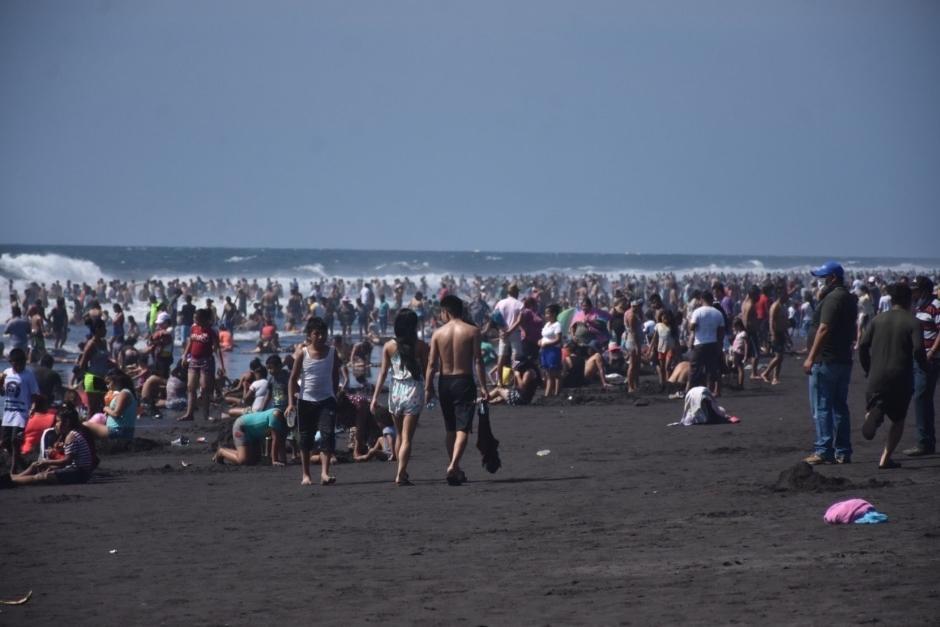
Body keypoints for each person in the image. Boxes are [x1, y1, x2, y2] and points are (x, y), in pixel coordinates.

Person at [858, 283, 927, 469]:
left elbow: (863, 346)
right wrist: (924, 366)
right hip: (900, 377)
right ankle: (885, 458)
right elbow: (919, 349)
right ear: (909, 300)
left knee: (876, 401)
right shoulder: (913, 322)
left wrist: (867, 367)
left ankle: (873, 412)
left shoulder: (877, 320)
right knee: (898, 419)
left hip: (876, 376)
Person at [425, 295, 488, 486]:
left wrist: (428, 387)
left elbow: (431, 364)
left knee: (450, 428)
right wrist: (484, 386)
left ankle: (456, 467)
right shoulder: (472, 331)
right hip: (463, 381)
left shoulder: (438, 333)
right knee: (463, 428)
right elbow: (478, 361)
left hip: (444, 383)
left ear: (446, 311)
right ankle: (453, 464)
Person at [802, 261, 858, 465]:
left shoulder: (833, 299)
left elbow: (823, 329)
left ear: (832, 278)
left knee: (822, 406)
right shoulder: (849, 298)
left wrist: (810, 357)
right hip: (842, 359)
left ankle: (823, 449)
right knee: (839, 406)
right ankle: (842, 450)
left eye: (823, 278)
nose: (820, 283)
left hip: (826, 359)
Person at [371, 309, 429, 486]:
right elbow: (427, 371)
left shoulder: (389, 346)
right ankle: (401, 474)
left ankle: (399, 471)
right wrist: (431, 389)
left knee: (399, 436)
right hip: (413, 390)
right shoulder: (421, 346)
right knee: (407, 437)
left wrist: (374, 397)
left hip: (395, 391)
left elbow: (382, 373)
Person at [286, 317, 342, 486]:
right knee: (305, 439)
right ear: (309, 335)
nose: (320, 337)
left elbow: (335, 375)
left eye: (323, 333)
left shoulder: (332, 352)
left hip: (327, 400)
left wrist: (335, 393)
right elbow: (292, 379)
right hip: (306, 401)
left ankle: (325, 473)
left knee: (327, 435)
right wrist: (290, 403)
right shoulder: (303, 353)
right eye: (316, 333)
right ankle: (306, 475)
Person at [9, 404, 97, 486]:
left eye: (58, 421)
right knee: (41, 469)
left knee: (43, 476)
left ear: (66, 422)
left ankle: (13, 481)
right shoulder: (74, 433)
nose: (56, 425)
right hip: (80, 472)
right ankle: (14, 478)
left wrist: (46, 462)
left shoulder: (71, 436)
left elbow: (67, 461)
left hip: (79, 473)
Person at [905, 276, 940, 457]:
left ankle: (923, 442)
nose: (913, 292)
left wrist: (932, 352)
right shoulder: (919, 305)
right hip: (920, 357)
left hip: (930, 358)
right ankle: (927, 441)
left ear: (924, 290)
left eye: (916, 289)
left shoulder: (935, 305)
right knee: (923, 399)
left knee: (921, 398)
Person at [179, 308, 224, 422]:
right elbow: (190, 342)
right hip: (193, 360)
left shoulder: (211, 331)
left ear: (203, 319)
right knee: (190, 387)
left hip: (206, 361)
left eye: (196, 318)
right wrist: (185, 355)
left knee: (204, 388)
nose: (194, 320)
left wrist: (221, 365)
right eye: (194, 318)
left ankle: (206, 414)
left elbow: (217, 349)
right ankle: (189, 414)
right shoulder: (193, 327)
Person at [1, 348, 40, 471]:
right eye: (15, 362)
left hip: (21, 413)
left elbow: (34, 394)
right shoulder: (6, 373)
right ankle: (22, 464)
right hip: (8, 412)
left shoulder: (28, 375)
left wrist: (33, 407)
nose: (18, 365)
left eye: (20, 363)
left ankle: (13, 469)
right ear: (11, 362)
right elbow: (2, 393)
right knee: (5, 442)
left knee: (15, 441)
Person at [212, 408, 287, 466]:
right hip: (242, 427)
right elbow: (275, 439)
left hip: (255, 433)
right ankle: (221, 452)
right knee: (243, 460)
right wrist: (275, 460)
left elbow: (281, 440)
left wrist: (283, 460)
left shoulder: (286, 422)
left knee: (255, 460)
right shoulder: (276, 415)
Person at [687, 291, 725, 396]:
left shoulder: (697, 312)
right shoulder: (718, 313)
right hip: (713, 343)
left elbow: (692, 327)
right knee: (711, 369)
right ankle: (710, 391)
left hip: (699, 344)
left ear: (701, 300)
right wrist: (719, 345)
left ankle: (690, 391)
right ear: (711, 300)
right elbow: (721, 331)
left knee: (694, 369)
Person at [84, 369, 138, 442]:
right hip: (121, 430)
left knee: (85, 425)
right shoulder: (123, 393)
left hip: (119, 431)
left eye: (108, 383)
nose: (107, 386)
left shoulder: (124, 393)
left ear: (116, 381)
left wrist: (106, 408)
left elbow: (116, 414)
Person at [77, 318, 112, 417]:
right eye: (104, 328)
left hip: (103, 378)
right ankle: (89, 430)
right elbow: (82, 363)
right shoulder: (91, 344)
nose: (106, 330)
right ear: (97, 329)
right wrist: (82, 379)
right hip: (92, 378)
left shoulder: (104, 343)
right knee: (93, 408)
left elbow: (105, 360)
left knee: (104, 406)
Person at [492, 285, 525, 386]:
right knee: (515, 357)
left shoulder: (500, 303)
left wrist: (502, 330)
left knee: (501, 357)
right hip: (514, 332)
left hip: (503, 333)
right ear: (516, 292)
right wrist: (510, 331)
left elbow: (495, 317)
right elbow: (519, 321)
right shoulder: (520, 304)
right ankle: (515, 380)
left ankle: (500, 381)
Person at [760, 286, 789, 385]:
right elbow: (771, 321)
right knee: (779, 356)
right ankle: (765, 373)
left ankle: (775, 378)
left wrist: (787, 335)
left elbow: (784, 321)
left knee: (780, 357)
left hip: (782, 333)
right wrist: (773, 335)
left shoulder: (783, 306)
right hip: (776, 333)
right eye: (785, 294)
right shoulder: (775, 306)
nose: (787, 296)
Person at [539, 304, 563, 397]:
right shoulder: (547, 324)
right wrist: (541, 340)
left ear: (553, 314)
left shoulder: (557, 325)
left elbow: (558, 339)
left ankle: (554, 393)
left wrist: (547, 344)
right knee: (548, 372)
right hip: (545, 350)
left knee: (554, 372)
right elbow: (545, 336)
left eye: (548, 313)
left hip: (553, 350)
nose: (546, 315)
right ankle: (549, 394)